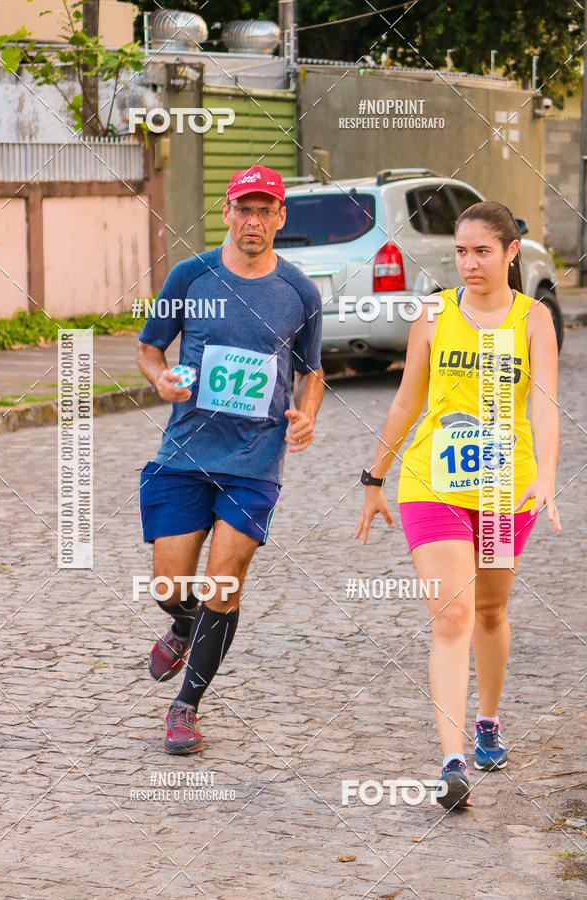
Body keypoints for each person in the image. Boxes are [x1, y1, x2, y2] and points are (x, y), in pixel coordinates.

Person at [354, 201, 561, 809]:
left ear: (510, 252)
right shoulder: (434, 313)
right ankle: (451, 763)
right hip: (432, 484)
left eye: (482, 251)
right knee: (452, 617)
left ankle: (488, 722)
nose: (468, 263)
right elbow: (405, 401)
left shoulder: (533, 319)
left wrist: (547, 471)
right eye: (460, 252)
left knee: (491, 612)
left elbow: (545, 402)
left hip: (504, 488)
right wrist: (374, 475)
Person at [137, 165, 324, 754]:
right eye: (245, 208)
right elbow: (148, 346)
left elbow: (311, 368)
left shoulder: (300, 290)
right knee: (170, 582)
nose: (254, 220)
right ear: (227, 211)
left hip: (255, 458)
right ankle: (184, 622)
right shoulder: (192, 276)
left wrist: (306, 413)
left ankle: (185, 707)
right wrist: (161, 378)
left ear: (280, 217)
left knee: (224, 581)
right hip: (185, 451)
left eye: (266, 209)